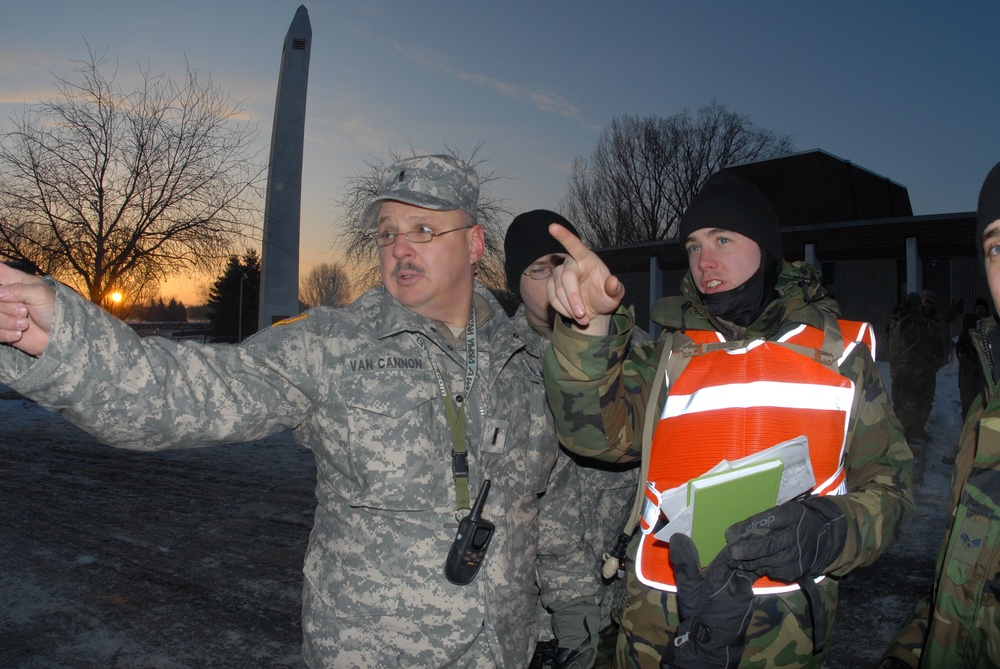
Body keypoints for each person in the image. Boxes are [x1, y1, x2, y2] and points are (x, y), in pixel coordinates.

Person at [0, 154, 599, 668]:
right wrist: (62, 337)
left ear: (473, 244)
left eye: (423, 229)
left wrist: (573, 611)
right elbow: (183, 392)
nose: (399, 248)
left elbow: (553, 497)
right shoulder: (330, 345)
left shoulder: (526, 363)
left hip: (504, 649)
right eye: (387, 233)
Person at [540, 170, 914, 668]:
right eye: (693, 246)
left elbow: (894, 489)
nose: (704, 261)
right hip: (660, 630)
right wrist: (590, 329)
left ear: (765, 248)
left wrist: (832, 531)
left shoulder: (840, 355)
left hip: (782, 639)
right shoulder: (670, 356)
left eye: (722, 239)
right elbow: (592, 438)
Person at [505, 210, 640, 669]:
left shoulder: (633, 346)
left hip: (629, 608)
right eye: (538, 269)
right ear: (515, 283)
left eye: (563, 261)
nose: (557, 277)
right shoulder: (500, 363)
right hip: (541, 619)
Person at [879, 160, 1000, 668]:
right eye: (996, 248)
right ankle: (911, 472)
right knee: (908, 429)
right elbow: (957, 594)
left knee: (916, 428)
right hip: (912, 382)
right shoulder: (987, 422)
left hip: (923, 383)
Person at [888, 289, 960, 443]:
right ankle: (901, 440)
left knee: (919, 402)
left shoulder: (899, 318)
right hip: (908, 371)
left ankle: (915, 433)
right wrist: (951, 314)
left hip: (911, 369)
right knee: (907, 406)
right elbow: (932, 326)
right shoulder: (910, 320)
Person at [956, 297, 990, 420]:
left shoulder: (992, 326)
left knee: (984, 405)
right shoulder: (968, 325)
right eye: (978, 308)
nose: (980, 311)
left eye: (983, 308)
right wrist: (965, 355)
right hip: (968, 375)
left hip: (985, 375)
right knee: (968, 406)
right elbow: (960, 347)